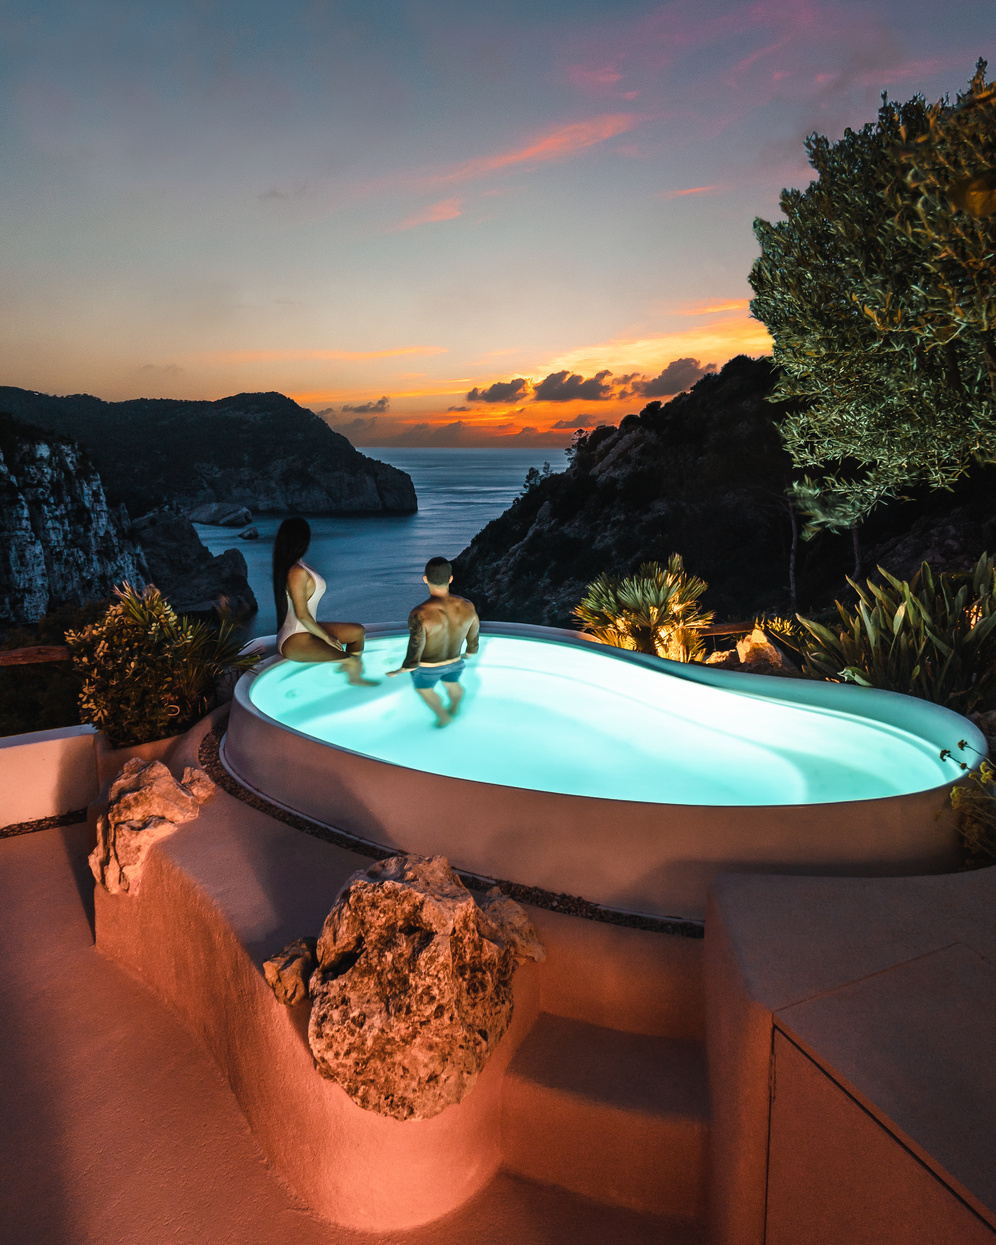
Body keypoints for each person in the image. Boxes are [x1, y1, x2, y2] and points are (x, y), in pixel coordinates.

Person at [272, 517, 376, 684]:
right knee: (350, 659)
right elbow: (302, 615)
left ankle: (350, 678)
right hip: (294, 639)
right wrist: (328, 638)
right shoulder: (296, 573)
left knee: (357, 632)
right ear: (302, 540)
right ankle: (352, 678)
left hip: (305, 630)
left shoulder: (300, 566)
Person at [386, 556, 479, 726]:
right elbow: (474, 631)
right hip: (455, 662)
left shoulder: (420, 612)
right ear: (450, 579)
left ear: (425, 579)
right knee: (453, 685)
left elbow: (416, 644)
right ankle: (456, 706)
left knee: (424, 690)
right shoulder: (467, 605)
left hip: (429, 667)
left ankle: (443, 716)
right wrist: (471, 651)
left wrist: (403, 668)